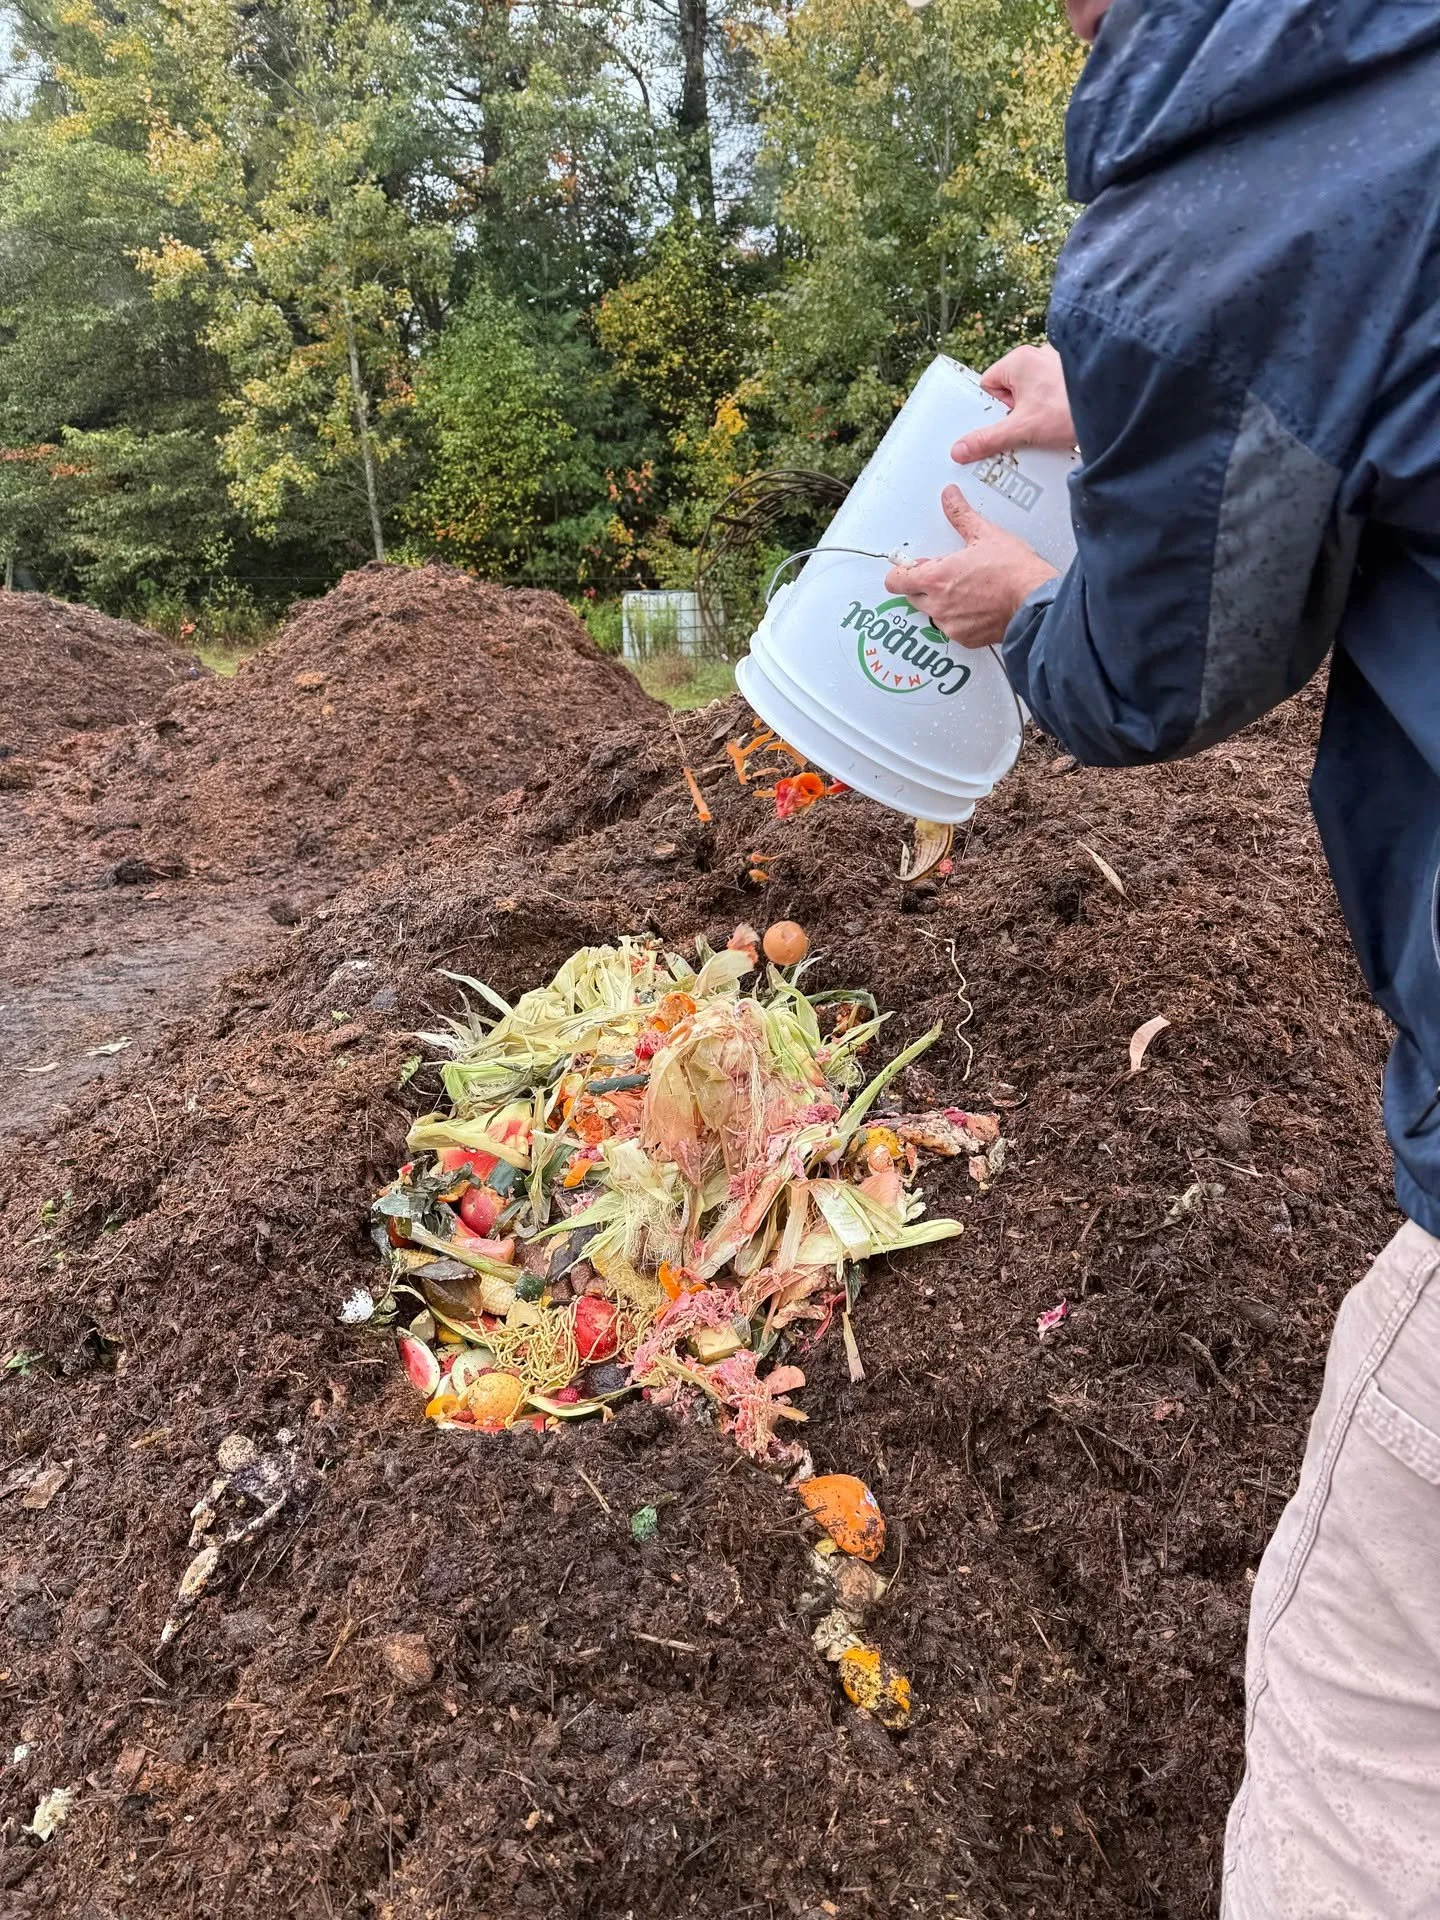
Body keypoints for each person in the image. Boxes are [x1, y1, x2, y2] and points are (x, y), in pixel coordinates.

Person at [884, 1, 1440, 1913]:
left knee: (1363, 1721)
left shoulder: (1219, 226)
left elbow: (1157, 671)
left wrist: (1023, 605)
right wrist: (1133, 396)